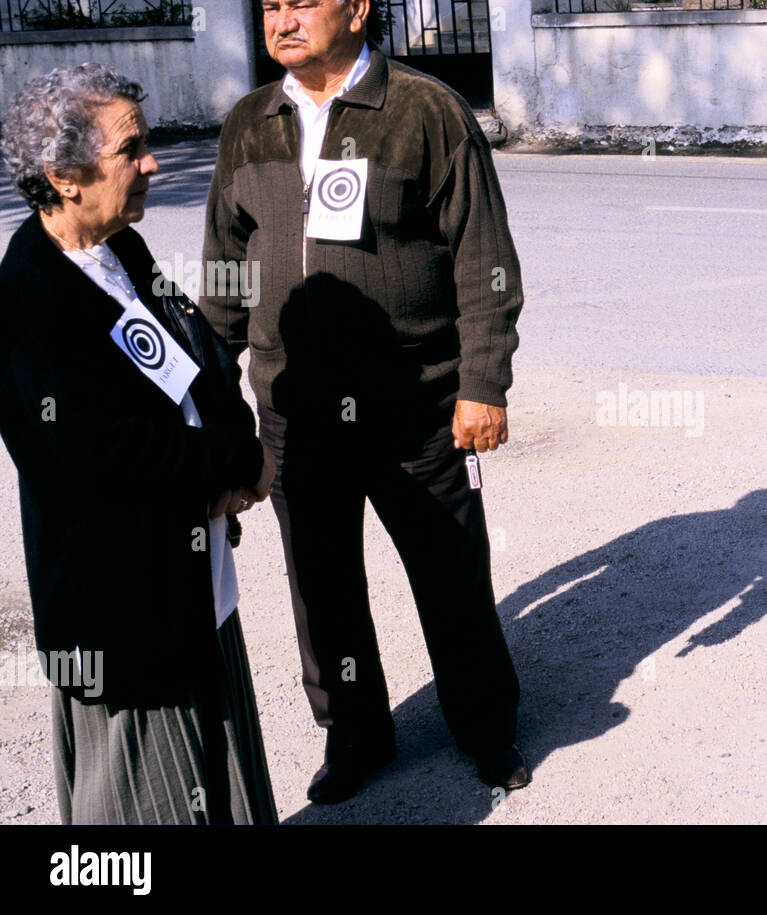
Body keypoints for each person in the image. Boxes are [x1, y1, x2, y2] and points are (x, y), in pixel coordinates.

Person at [200, 0, 529, 804]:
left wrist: (483, 383)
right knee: (323, 587)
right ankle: (355, 731)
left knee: (450, 575)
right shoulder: (250, 121)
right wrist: (210, 390)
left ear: (356, 9)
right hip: (294, 411)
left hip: (414, 405)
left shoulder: (425, 111)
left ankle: (485, 725)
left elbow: (483, 257)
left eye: (300, 3)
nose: (281, 20)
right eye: (270, 7)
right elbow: (225, 273)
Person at [0, 65, 277, 823]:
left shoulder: (121, 251)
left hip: (191, 578)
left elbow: (201, 357)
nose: (153, 162)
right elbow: (103, 455)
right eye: (134, 150)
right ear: (64, 177)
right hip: (123, 608)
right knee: (146, 801)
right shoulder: (31, 295)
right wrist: (241, 462)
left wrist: (235, 436)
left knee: (222, 773)